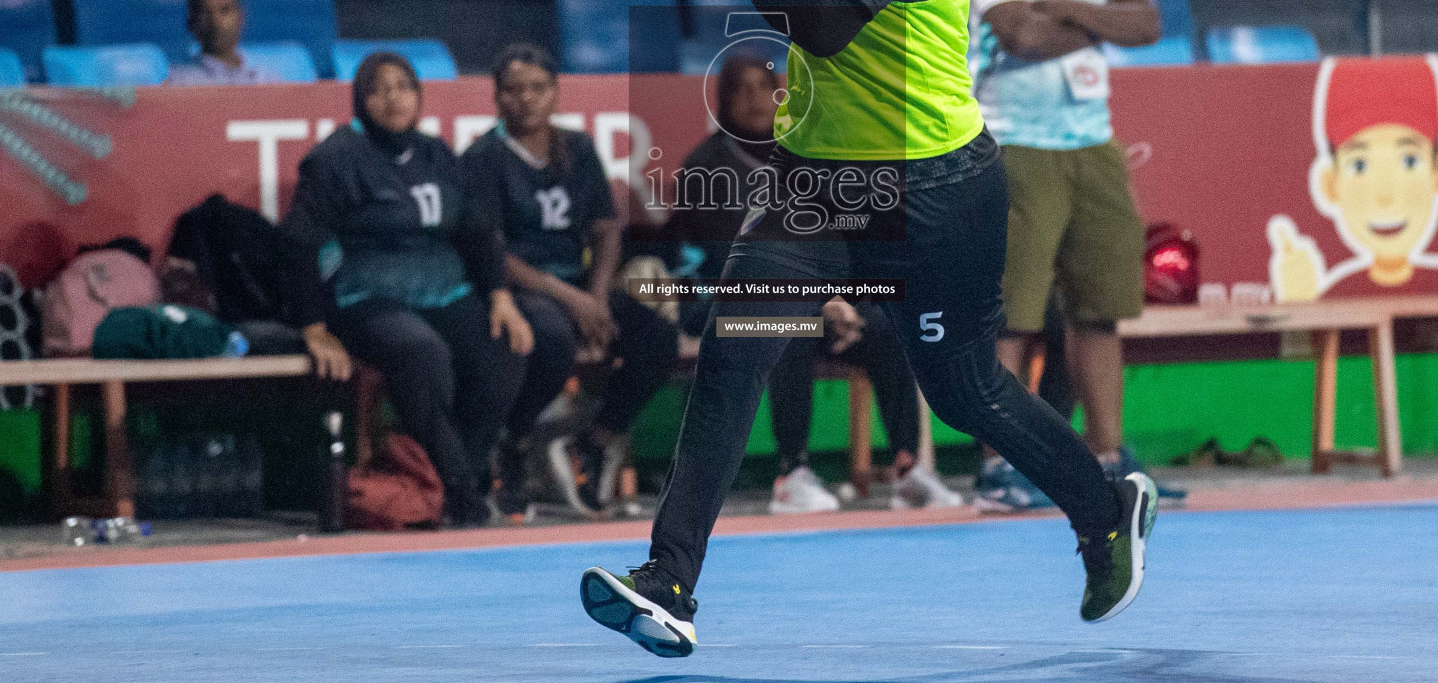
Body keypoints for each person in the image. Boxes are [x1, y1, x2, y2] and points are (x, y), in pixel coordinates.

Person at [580, 0, 1157, 659]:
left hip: (931, 192)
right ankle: (669, 583)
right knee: (734, 361)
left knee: (964, 391)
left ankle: (1103, 511)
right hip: (816, 186)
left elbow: (825, 28)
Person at [966, 0, 1160, 505]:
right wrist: (1103, 22)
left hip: (1092, 142)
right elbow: (1018, 35)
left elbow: (1150, 23)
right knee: (1011, 318)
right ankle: (998, 467)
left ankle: (1108, 457)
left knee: (1098, 310)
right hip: (1013, 139)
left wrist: (1067, 8)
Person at [667, 53, 960, 513]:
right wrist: (819, 303)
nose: (756, 98)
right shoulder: (708, 166)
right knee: (788, 329)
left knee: (884, 325)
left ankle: (909, 469)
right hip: (721, 303)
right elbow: (736, 263)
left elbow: (833, 242)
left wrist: (840, 300)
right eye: (741, 89)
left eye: (764, 86)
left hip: (807, 299)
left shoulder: (804, 157)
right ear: (723, 100)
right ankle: (792, 471)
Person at [280, 52, 532, 526]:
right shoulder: (334, 160)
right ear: (360, 100)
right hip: (366, 296)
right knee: (422, 352)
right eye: (380, 88)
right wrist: (314, 328)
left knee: (506, 350)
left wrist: (500, 296)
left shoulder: (438, 154)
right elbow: (298, 246)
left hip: (442, 289)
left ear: (419, 96)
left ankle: (450, 471)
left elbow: (478, 233)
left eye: (404, 86)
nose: (394, 97)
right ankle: (459, 490)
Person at [462, 44, 679, 519]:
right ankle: (515, 443)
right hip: (517, 287)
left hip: (578, 284)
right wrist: (572, 299)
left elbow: (605, 229)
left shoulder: (577, 148)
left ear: (555, 94)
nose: (527, 99)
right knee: (553, 340)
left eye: (538, 88)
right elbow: (490, 250)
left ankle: (595, 440)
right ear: (497, 98)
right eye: (514, 90)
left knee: (656, 336)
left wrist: (597, 296)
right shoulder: (482, 157)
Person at [1267, 54, 1438, 300]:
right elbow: (1311, 347)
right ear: (1330, 185)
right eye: (1359, 166)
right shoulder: (1336, 299)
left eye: (1409, 161)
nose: (1385, 194)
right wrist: (1300, 306)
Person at [165, 0, 276, 85]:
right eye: (205, 13)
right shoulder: (180, 81)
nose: (215, 21)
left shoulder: (266, 79)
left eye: (224, 10)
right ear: (192, 22)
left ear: (241, 16)